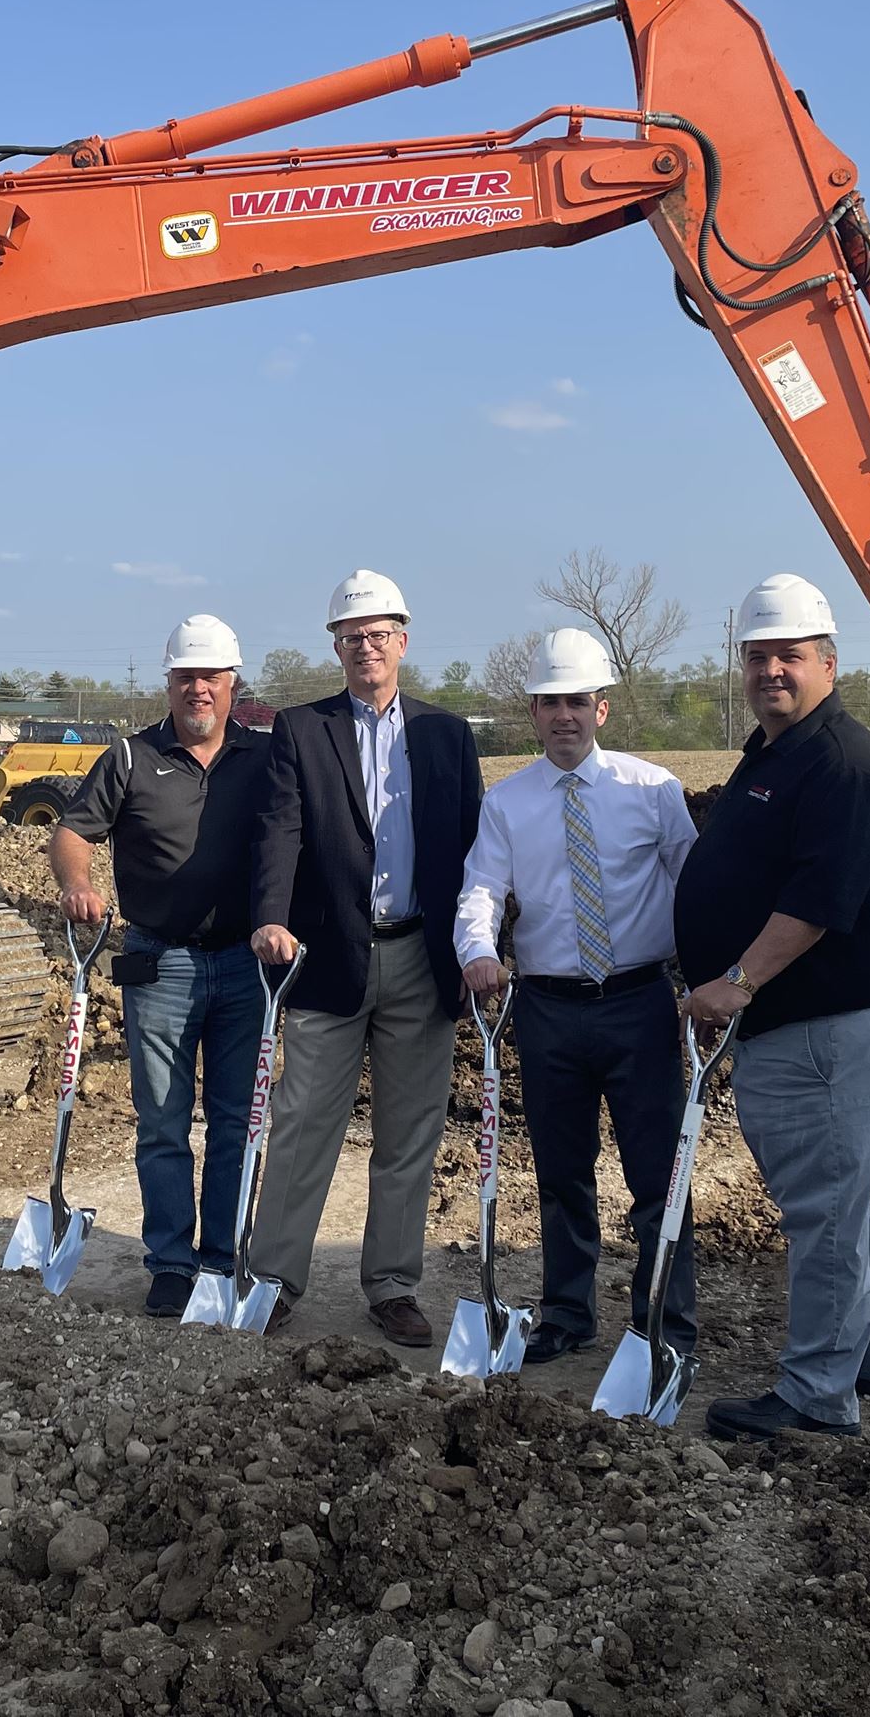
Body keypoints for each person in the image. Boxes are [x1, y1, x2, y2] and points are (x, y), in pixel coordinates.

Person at [673, 574, 870, 1441]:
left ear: (828, 661)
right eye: (757, 656)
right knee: (840, 1196)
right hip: (795, 1022)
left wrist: (736, 980)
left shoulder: (842, 760)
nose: (771, 669)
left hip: (827, 1022)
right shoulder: (776, 751)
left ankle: (818, 1391)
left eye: (789, 655)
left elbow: (819, 903)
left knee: (823, 1209)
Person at [248, 569, 483, 1346]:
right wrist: (272, 918)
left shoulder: (447, 735)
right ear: (337, 647)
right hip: (328, 956)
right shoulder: (301, 729)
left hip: (422, 953)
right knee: (304, 1121)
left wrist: (480, 946)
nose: (366, 647)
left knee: (410, 1130)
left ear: (402, 643)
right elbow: (282, 827)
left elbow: (476, 848)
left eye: (379, 635)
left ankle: (390, 1284)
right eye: (352, 637)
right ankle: (275, 1278)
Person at [453, 628, 697, 1366]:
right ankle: (566, 1313)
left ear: (604, 708)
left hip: (640, 1004)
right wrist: (478, 951)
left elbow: (698, 886)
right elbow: (481, 890)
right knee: (562, 1171)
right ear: (533, 711)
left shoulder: (653, 791)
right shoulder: (509, 804)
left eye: (578, 702)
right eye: (551, 702)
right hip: (549, 1007)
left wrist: (719, 975)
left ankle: (664, 1321)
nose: (565, 715)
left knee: (657, 1173)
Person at [51, 615, 274, 1318]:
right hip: (159, 962)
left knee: (237, 1123)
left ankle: (221, 1260)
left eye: (211, 676)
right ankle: (172, 1262)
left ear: (233, 683)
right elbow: (71, 832)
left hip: (247, 966)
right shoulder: (128, 756)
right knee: (164, 1123)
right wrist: (77, 885)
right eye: (187, 677)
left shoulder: (267, 759)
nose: (199, 688)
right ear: (169, 682)